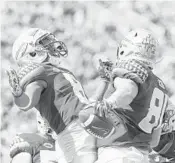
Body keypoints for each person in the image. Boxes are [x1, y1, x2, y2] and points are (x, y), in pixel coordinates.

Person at [7, 28, 99, 163]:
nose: (50, 44)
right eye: (43, 42)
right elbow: (26, 103)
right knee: (24, 142)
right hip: (73, 130)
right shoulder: (40, 73)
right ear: (31, 53)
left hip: (84, 126)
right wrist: (18, 94)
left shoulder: (57, 71)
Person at [80, 29, 172, 163]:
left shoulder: (131, 67)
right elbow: (154, 141)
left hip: (118, 153)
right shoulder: (160, 86)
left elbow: (128, 90)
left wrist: (108, 104)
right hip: (140, 156)